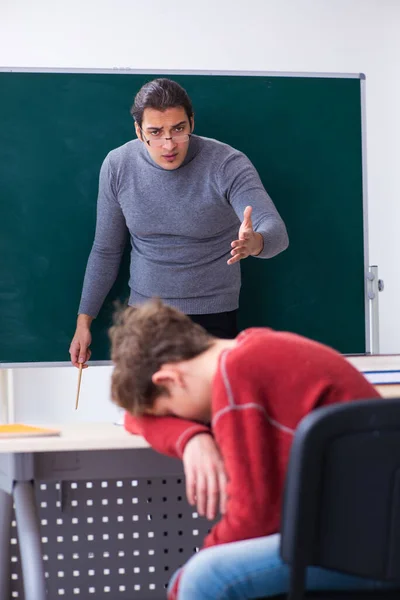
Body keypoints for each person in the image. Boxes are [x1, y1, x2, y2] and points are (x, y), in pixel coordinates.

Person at [69, 77, 288, 518]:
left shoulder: (227, 163)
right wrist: (84, 321)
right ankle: (158, 532)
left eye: (178, 129)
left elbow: (275, 230)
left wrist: (254, 243)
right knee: (150, 432)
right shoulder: (117, 166)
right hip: (145, 321)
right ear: (138, 131)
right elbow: (107, 249)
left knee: (215, 438)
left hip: (212, 320)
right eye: (156, 132)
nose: (168, 143)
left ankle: (218, 528)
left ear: (192, 124)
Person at [109, 298, 384, 600]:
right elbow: (136, 418)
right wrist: (191, 437)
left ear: (170, 380)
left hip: (370, 551)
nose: (180, 418)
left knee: (202, 578)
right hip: (369, 539)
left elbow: (253, 521)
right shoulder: (250, 350)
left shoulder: (236, 378)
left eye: (171, 412)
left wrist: (179, 588)